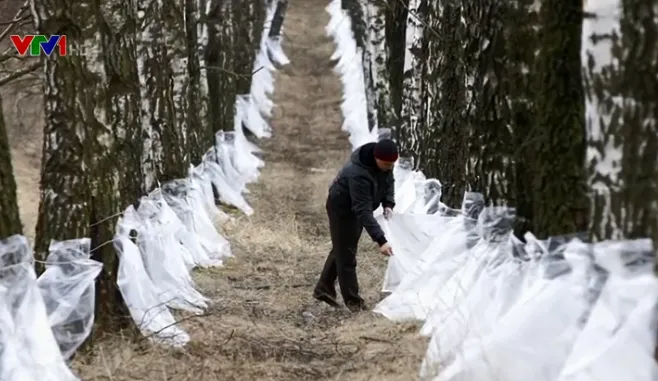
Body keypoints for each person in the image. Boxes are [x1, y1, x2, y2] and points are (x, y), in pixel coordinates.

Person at [313, 139, 398, 312]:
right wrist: (381, 240)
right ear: (376, 158)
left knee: (343, 247)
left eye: (392, 164)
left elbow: (389, 182)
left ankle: (324, 288)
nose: (390, 167)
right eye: (387, 164)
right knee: (347, 256)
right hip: (342, 209)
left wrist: (388, 203)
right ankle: (354, 303)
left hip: (357, 207)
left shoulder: (386, 163)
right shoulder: (358, 173)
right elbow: (363, 211)